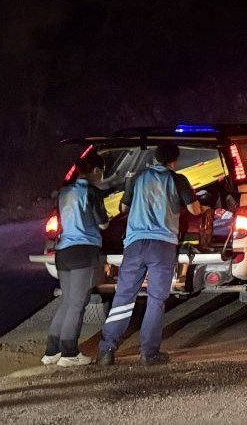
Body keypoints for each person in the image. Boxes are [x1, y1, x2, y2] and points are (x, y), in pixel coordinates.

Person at [96, 143, 205, 366]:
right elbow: (196, 210)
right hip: (163, 246)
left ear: (155, 159)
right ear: (174, 161)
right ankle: (149, 353)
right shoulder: (178, 180)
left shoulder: (138, 177)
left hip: (135, 244)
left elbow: (123, 210)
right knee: (156, 300)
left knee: (124, 296)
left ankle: (107, 349)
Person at [42, 154, 109, 366]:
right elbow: (103, 223)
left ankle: (52, 351)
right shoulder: (92, 192)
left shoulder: (63, 192)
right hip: (83, 251)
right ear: (97, 171)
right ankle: (69, 353)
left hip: (63, 252)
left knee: (67, 302)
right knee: (78, 304)